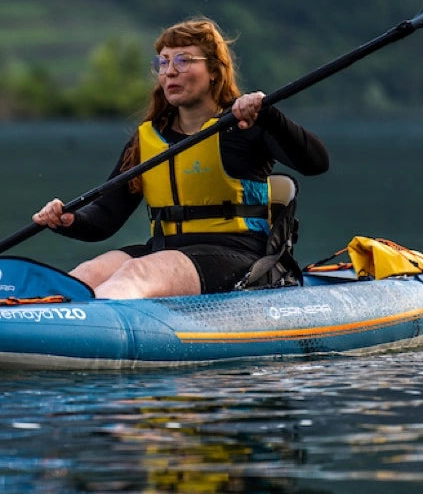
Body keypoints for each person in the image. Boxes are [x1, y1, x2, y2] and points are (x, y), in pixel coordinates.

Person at [33, 18, 329, 299]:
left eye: (183, 60)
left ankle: (90, 325)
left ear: (214, 70)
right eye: (163, 62)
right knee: (85, 275)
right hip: (164, 250)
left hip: (238, 255)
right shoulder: (147, 139)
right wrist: (69, 219)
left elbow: (315, 163)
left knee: (137, 272)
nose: (169, 72)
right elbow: (106, 216)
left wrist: (270, 115)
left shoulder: (245, 125)